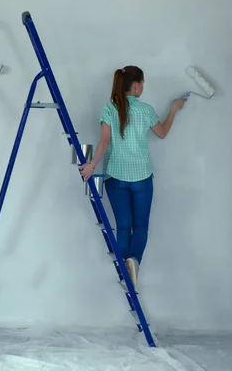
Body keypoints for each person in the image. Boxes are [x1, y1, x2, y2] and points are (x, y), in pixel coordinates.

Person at [79, 65, 186, 288]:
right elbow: (163, 133)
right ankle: (134, 263)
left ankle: (125, 273)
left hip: (115, 177)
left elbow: (105, 142)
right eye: (143, 84)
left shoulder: (110, 108)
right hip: (142, 177)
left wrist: (91, 165)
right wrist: (174, 109)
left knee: (123, 225)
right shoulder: (145, 110)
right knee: (141, 226)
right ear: (136, 86)